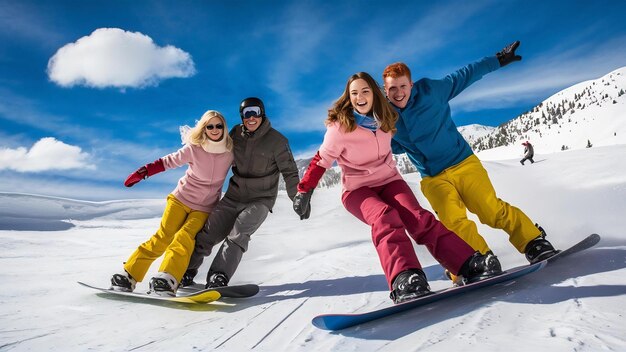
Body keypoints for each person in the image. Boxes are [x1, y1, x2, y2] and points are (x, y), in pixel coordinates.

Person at [293, 72, 501, 304]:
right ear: (348, 98)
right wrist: (304, 190)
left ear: (374, 94)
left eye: (365, 91)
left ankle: (466, 263)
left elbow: (414, 126)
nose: (360, 97)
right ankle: (405, 276)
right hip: (357, 190)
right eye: (354, 93)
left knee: (419, 218)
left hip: (390, 181)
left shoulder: (386, 120)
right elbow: (321, 160)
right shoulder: (340, 128)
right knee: (384, 217)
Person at [381, 41, 558, 278]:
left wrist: (497, 60)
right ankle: (478, 259)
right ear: (385, 90)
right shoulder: (387, 118)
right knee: (453, 222)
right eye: (393, 88)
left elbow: (464, 75)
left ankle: (533, 241)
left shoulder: (431, 91)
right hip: (433, 178)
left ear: (411, 84)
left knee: (489, 209)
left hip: (463, 163)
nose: (399, 92)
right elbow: (386, 146)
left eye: (403, 86)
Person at [110, 110, 234, 296]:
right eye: (210, 126)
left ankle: (167, 278)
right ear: (204, 128)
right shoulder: (194, 148)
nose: (215, 129)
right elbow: (168, 161)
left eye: (219, 126)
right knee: (163, 236)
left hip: (204, 208)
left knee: (184, 238)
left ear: (224, 128)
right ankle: (129, 274)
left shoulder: (230, 153)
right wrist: (144, 172)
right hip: (180, 199)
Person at [180, 97, 301, 288]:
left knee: (239, 233)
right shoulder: (235, 134)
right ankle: (185, 271)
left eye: (255, 112)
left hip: (260, 200)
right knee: (207, 233)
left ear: (262, 113)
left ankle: (218, 276)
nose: (251, 117)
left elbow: (290, 172)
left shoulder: (277, 141)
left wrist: (297, 197)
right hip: (234, 196)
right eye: (246, 113)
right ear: (242, 116)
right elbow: (213, 146)